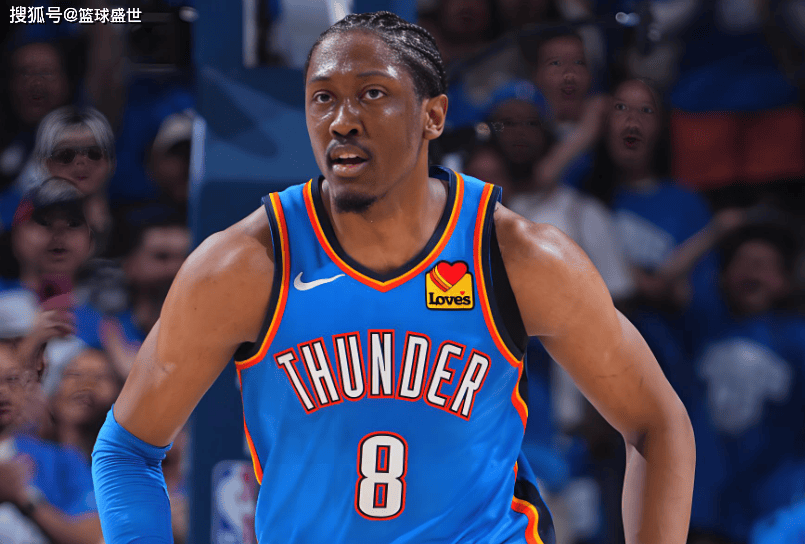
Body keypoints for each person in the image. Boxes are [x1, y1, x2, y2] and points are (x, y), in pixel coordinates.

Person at [92, 11, 695, 544]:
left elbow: (656, 423)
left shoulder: (515, 255)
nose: (342, 121)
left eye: (372, 93)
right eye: (322, 98)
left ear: (433, 115)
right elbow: (126, 449)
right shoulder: (245, 264)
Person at [0, 340, 102, 544]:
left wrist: (23, 498)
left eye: (12, 379)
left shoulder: (62, 461)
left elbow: (93, 537)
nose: (2, 391)